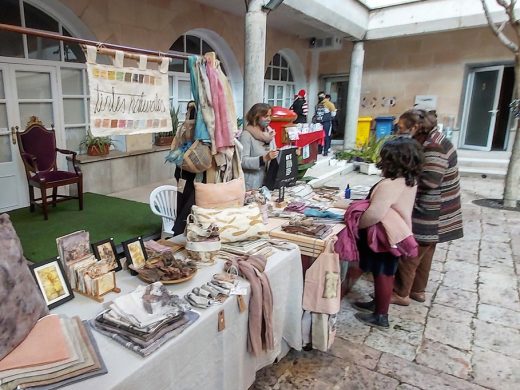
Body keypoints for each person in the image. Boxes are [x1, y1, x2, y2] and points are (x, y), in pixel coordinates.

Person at [392, 109, 463, 305]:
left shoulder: (434, 146)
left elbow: (431, 180)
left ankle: (400, 293)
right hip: (437, 207)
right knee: (426, 250)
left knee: (411, 250)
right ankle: (417, 290)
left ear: (414, 127)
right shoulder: (431, 139)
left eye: (400, 128)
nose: (398, 131)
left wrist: (401, 182)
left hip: (432, 208)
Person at [352, 137, 424, 328]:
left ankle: (380, 315)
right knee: (382, 271)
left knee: (383, 272)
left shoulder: (391, 184)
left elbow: (374, 214)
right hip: (397, 232)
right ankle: (378, 304)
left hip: (384, 236)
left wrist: (356, 226)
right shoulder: (409, 180)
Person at [239, 103, 279, 190]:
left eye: (269, 116)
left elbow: (274, 151)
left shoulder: (270, 133)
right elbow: (242, 161)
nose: (269, 119)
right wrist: (263, 159)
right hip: (252, 184)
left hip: (268, 181)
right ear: (256, 117)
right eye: (265, 116)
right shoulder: (246, 135)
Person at [313, 91, 337, 156]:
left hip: (320, 122)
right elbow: (333, 114)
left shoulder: (319, 104)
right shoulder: (329, 104)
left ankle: (321, 150)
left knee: (321, 136)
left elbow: (315, 113)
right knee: (324, 136)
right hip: (325, 122)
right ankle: (324, 151)